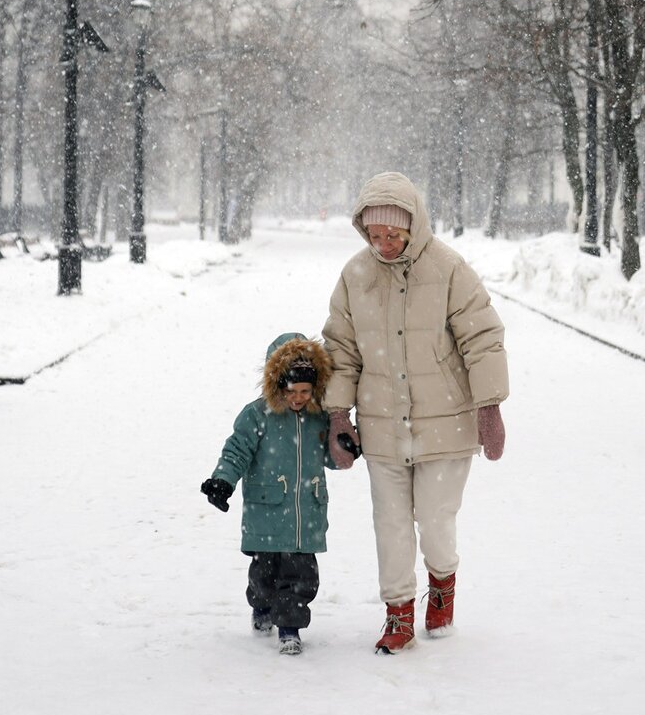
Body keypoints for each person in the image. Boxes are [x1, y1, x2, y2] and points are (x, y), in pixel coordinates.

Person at [322, 172, 508, 654]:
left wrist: (489, 407)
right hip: (382, 425)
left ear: (413, 226)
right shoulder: (355, 275)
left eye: (393, 234)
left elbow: (482, 337)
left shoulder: (448, 269)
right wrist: (338, 415)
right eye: (374, 234)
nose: (383, 243)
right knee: (390, 522)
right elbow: (341, 349)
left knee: (435, 516)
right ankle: (398, 613)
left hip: (445, 423)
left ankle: (442, 583)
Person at [200, 333, 335, 656]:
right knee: (264, 578)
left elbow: (332, 459)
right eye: (293, 391)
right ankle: (261, 608)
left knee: (301, 579)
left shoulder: (320, 417)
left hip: (306, 515)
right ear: (278, 385)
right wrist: (223, 480)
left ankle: (290, 628)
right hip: (266, 514)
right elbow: (237, 451)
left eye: (306, 391)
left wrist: (346, 447)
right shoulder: (257, 415)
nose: (300, 398)